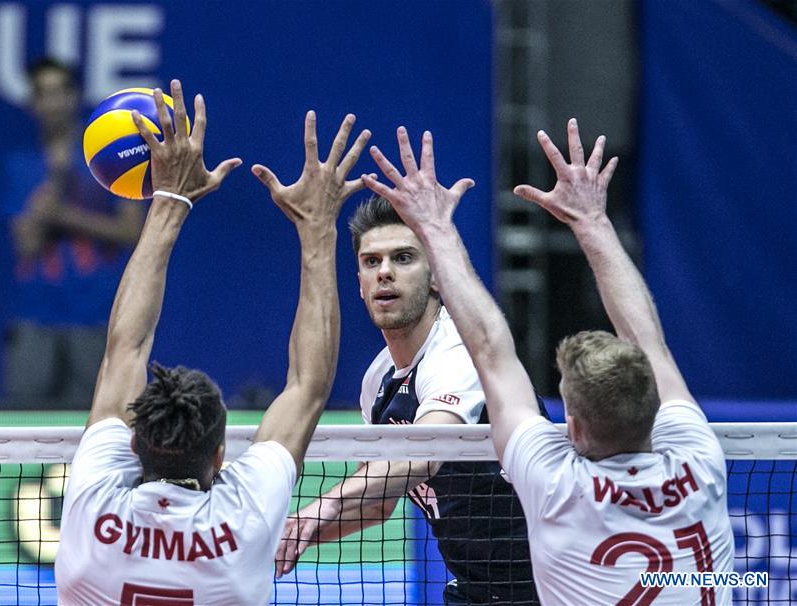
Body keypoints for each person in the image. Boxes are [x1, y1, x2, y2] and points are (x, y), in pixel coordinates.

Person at [362, 120, 735, 605]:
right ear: (657, 411)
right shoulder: (700, 458)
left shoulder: (556, 484)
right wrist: (593, 221)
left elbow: (491, 350)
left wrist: (436, 227)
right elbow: (650, 344)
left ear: (573, 429)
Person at [54, 80, 372, 605]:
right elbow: (308, 386)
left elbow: (125, 350)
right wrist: (319, 229)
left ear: (133, 445)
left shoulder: (93, 505)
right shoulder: (243, 518)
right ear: (221, 456)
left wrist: (169, 201)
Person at [277, 193, 540, 603]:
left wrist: (322, 506)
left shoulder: (458, 350)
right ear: (360, 286)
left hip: (549, 586)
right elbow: (376, 504)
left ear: (437, 277)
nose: (384, 273)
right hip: (474, 589)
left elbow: (426, 451)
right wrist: (287, 535)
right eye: (371, 262)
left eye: (402, 258)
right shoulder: (377, 380)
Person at [3, 57, 143, 408]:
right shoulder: (21, 166)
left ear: (74, 96)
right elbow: (27, 246)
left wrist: (63, 214)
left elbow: (131, 229)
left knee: (92, 427)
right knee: (22, 438)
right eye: (42, 93)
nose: (52, 101)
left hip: (95, 317)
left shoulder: (108, 158)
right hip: (35, 318)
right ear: (32, 103)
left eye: (59, 91)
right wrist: (55, 182)